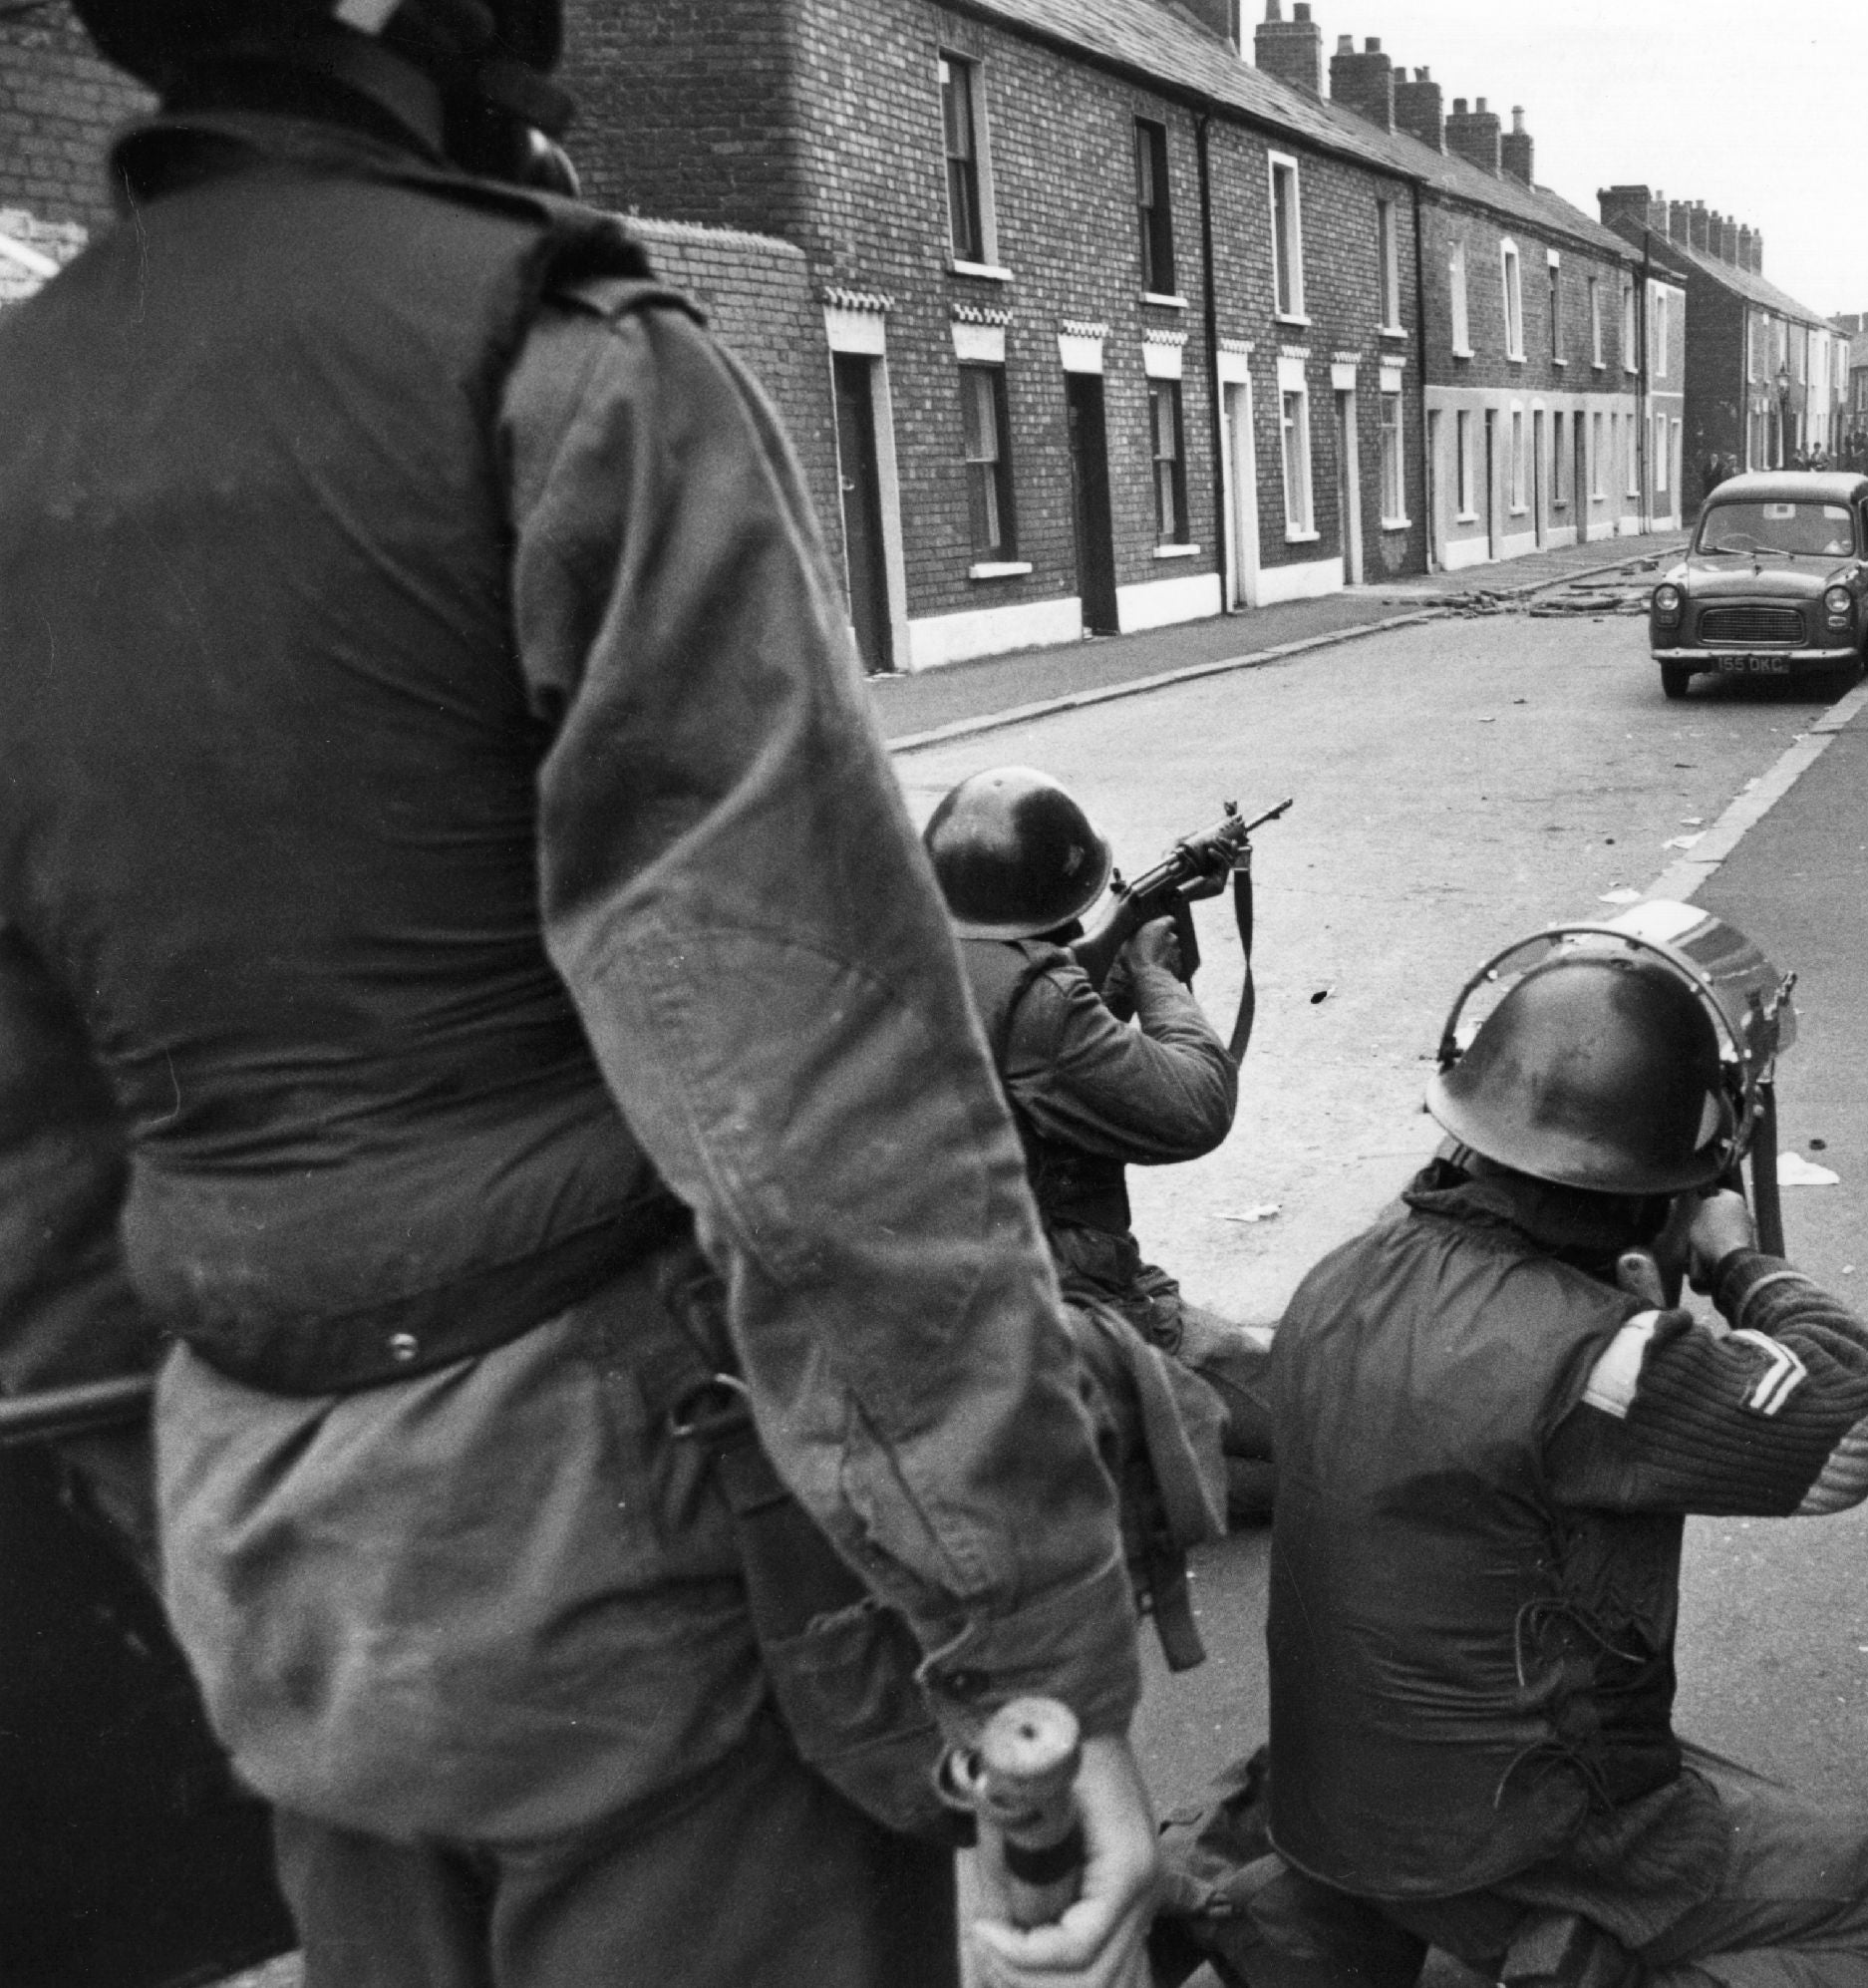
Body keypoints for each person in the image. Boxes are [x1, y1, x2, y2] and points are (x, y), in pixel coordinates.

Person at [0, 6, 1155, 1984]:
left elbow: (28, 1141)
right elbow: (814, 1107)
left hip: (263, 1546)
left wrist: (183, 1499)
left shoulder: (21, 401)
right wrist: (1025, 1652)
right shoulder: (565, 365)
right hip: (630, 1572)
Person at [1170, 926, 1868, 1988]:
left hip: (1334, 1796)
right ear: (1655, 1184)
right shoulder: (1598, 1356)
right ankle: (1579, 1948)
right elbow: (1854, 1420)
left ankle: (1308, 1907)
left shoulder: (1343, 1276)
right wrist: (1737, 1256)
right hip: (1521, 1825)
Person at [924, 767, 1273, 1514]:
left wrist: (1133, 935)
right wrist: (1154, 976)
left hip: (957, 1295)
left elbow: (1066, 1057)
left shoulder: (921, 960)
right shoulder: (1040, 1001)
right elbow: (1196, 1107)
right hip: (1066, 1307)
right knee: (1324, 1425)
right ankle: (1119, 1470)